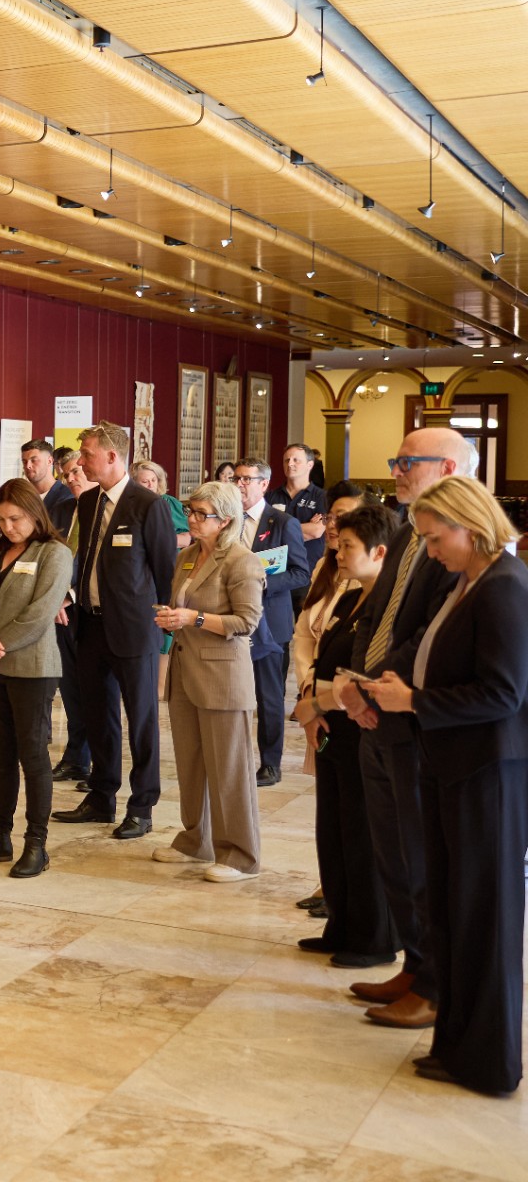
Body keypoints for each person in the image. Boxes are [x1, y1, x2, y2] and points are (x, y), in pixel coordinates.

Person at [360, 476, 528, 1095]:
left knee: (484, 921)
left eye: (435, 539)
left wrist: (417, 701)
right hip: (451, 767)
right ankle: (457, 1046)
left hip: (488, 776)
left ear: (470, 525)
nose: (430, 552)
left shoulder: (507, 588)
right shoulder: (470, 584)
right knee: (454, 914)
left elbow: (504, 694)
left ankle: (489, 1061)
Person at [334, 428, 470, 1031]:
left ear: (445, 466)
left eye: (406, 461)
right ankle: (415, 965)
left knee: (421, 859)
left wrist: (376, 685)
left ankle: (436, 983)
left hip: (412, 720)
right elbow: (377, 616)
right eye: (396, 460)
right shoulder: (409, 528)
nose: (396, 470)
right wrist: (356, 681)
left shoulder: (462, 543)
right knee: (394, 854)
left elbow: (431, 634)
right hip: (375, 711)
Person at [52, 422, 176, 840]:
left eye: (87, 454)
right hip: (90, 625)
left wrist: (164, 626)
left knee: (141, 721)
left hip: (134, 630)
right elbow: (82, 561)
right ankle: (102, 797)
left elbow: (165, 572)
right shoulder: (87, 504)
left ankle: (142, 806)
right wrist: (69, 596)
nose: (81, 462)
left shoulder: (147, 504)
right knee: (99, 716)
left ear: (111, 456)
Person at [293, 498, 397, 966]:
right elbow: (322, 656)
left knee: (361, 834)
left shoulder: (389, 606)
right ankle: (342, 924)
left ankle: (372, 937)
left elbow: (366, 674)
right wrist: (313, 708)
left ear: (378, 551)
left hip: (364, 729)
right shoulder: (352, 598)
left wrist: (314, 704)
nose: (338, 551)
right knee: (332, 831)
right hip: (332, 728)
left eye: (348, 545)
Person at [152, 480, 266, 881]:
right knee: (191, 762)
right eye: (192, 511)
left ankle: (239, 854)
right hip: (185, 668)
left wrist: (195, 619)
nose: (194, 520)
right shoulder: (185, 557)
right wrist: (171, 615)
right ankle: (195, 839)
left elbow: (247, 620)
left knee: (229, 768)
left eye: (204, 515)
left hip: (223, 673)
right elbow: (182, 605)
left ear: (227, 520)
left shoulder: (241, 561)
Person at [0, 479, 71, 877]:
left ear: (34, 514)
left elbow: (40, 615)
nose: (8, 527)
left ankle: (36, 844)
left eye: (16, 519)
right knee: (1, 755)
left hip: (32, 669)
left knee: (33, 757)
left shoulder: (54, 553)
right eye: (2, 519)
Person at [233, 457, 309, 787]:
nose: (240, 485)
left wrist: (261, 582)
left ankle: (270, 763)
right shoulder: (226, 521)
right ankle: (233, 759)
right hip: (231, 622)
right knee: (232, 694)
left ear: (264, 484)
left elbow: (299, 573)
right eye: (237, 479)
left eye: (247, 479)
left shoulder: (281, 522)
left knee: (269, 697)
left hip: (269, 625)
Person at [48, 448, 93, 784]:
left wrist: (70, 597)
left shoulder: (106, 511)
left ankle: (89, 756)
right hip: (57, 614)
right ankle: (76, 756)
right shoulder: (62, 509)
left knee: (91, 691)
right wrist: (53, 600)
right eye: (67, 475)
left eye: (77, 471)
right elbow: (48, 556)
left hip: (88, 611)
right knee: (70, 691)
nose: (71, 478)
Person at [273, 444, 328, 618]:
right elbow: (264, 533)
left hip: (307, 572)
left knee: (304, 630)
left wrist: (278, 531)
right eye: (287, 460)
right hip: (275, 572)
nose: (290, 464)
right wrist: (301, 528)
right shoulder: (271, 496)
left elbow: (317, 531)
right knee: (278, 632)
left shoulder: (321, 497)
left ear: (310, 465)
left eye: (296, 460)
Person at [130, 460, 188, 545]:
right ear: (134, 484)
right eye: (145, 482)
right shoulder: (128, 503)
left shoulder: (169, 503)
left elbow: (186, 539)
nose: (151, 485)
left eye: (153, 480)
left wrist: (155, 541)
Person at [22, 437, 70, 515]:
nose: (28, 466)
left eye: (34, 460)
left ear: (49, 461)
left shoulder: (66, 497)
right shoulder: (23, 497)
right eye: (24, 462)